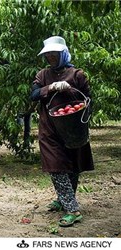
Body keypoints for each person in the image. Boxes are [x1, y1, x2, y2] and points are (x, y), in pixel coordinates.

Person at [30, 36, 94, 227]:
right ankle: (72, 209)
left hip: (73, 127)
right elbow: (33, 95)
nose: (50, 57)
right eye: (47, 54)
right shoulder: (42, 75)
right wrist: (49, 88)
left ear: (63, 54)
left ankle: (65, 200)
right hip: (50, 129)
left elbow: (88, 100)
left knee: (73, 165)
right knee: (56, 167)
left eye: (54, 53)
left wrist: (71, 91)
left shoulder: (78, 75)